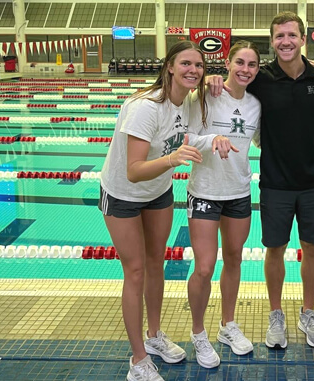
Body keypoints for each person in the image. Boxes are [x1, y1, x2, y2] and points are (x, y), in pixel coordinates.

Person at [207, 11, 314, 350]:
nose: (286, 42)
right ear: (272, 41)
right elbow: (232, 85)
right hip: (275, 180)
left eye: (292, 35)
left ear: (303, 39)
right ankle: (276, 314)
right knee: (274, 248)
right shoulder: (260, 78)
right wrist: (212, 78)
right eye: (280, 36)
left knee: (312, 248)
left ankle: (308, 311)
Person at [98, 41, 207, 381]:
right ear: (170, 68)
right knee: (134, 271)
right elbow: (134, 169)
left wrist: (217, 82)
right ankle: (138, 359)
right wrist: (173, 159)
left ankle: (154, 335)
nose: (193, 70)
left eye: (200, 66)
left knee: (155, 262)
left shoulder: (186, 102)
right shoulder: (146, 107)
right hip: (122, 194)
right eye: (186, 63)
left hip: (157, 192)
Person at [184, 40, 262, 368]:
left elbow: (263, 139)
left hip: (239, 191)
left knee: (233, 259)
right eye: (240, 62)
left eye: (252, 65)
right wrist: (211, 139)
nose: (245, 69)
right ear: (227, 62)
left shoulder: (258, 104)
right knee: (204, 267)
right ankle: (198, 333)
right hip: (204, 190)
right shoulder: (205, 94)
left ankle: (227, 325)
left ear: (258, 69)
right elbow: (185, 136)